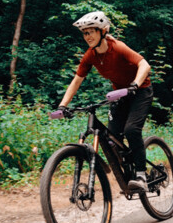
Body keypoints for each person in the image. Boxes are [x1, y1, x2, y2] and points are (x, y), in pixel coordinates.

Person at [57, 11, 153, 191]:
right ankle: (129, 168)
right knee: (112, 139)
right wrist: (63, 105)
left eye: (91, 31)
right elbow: (76, 81)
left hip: (140, 91)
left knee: (131, 130)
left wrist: (134, 85)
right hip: (121, 95)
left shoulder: (117, 47)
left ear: (102, 31)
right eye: (85, 33)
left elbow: (145, 65)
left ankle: (141, 176)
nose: (87, 36)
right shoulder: (90, 55)